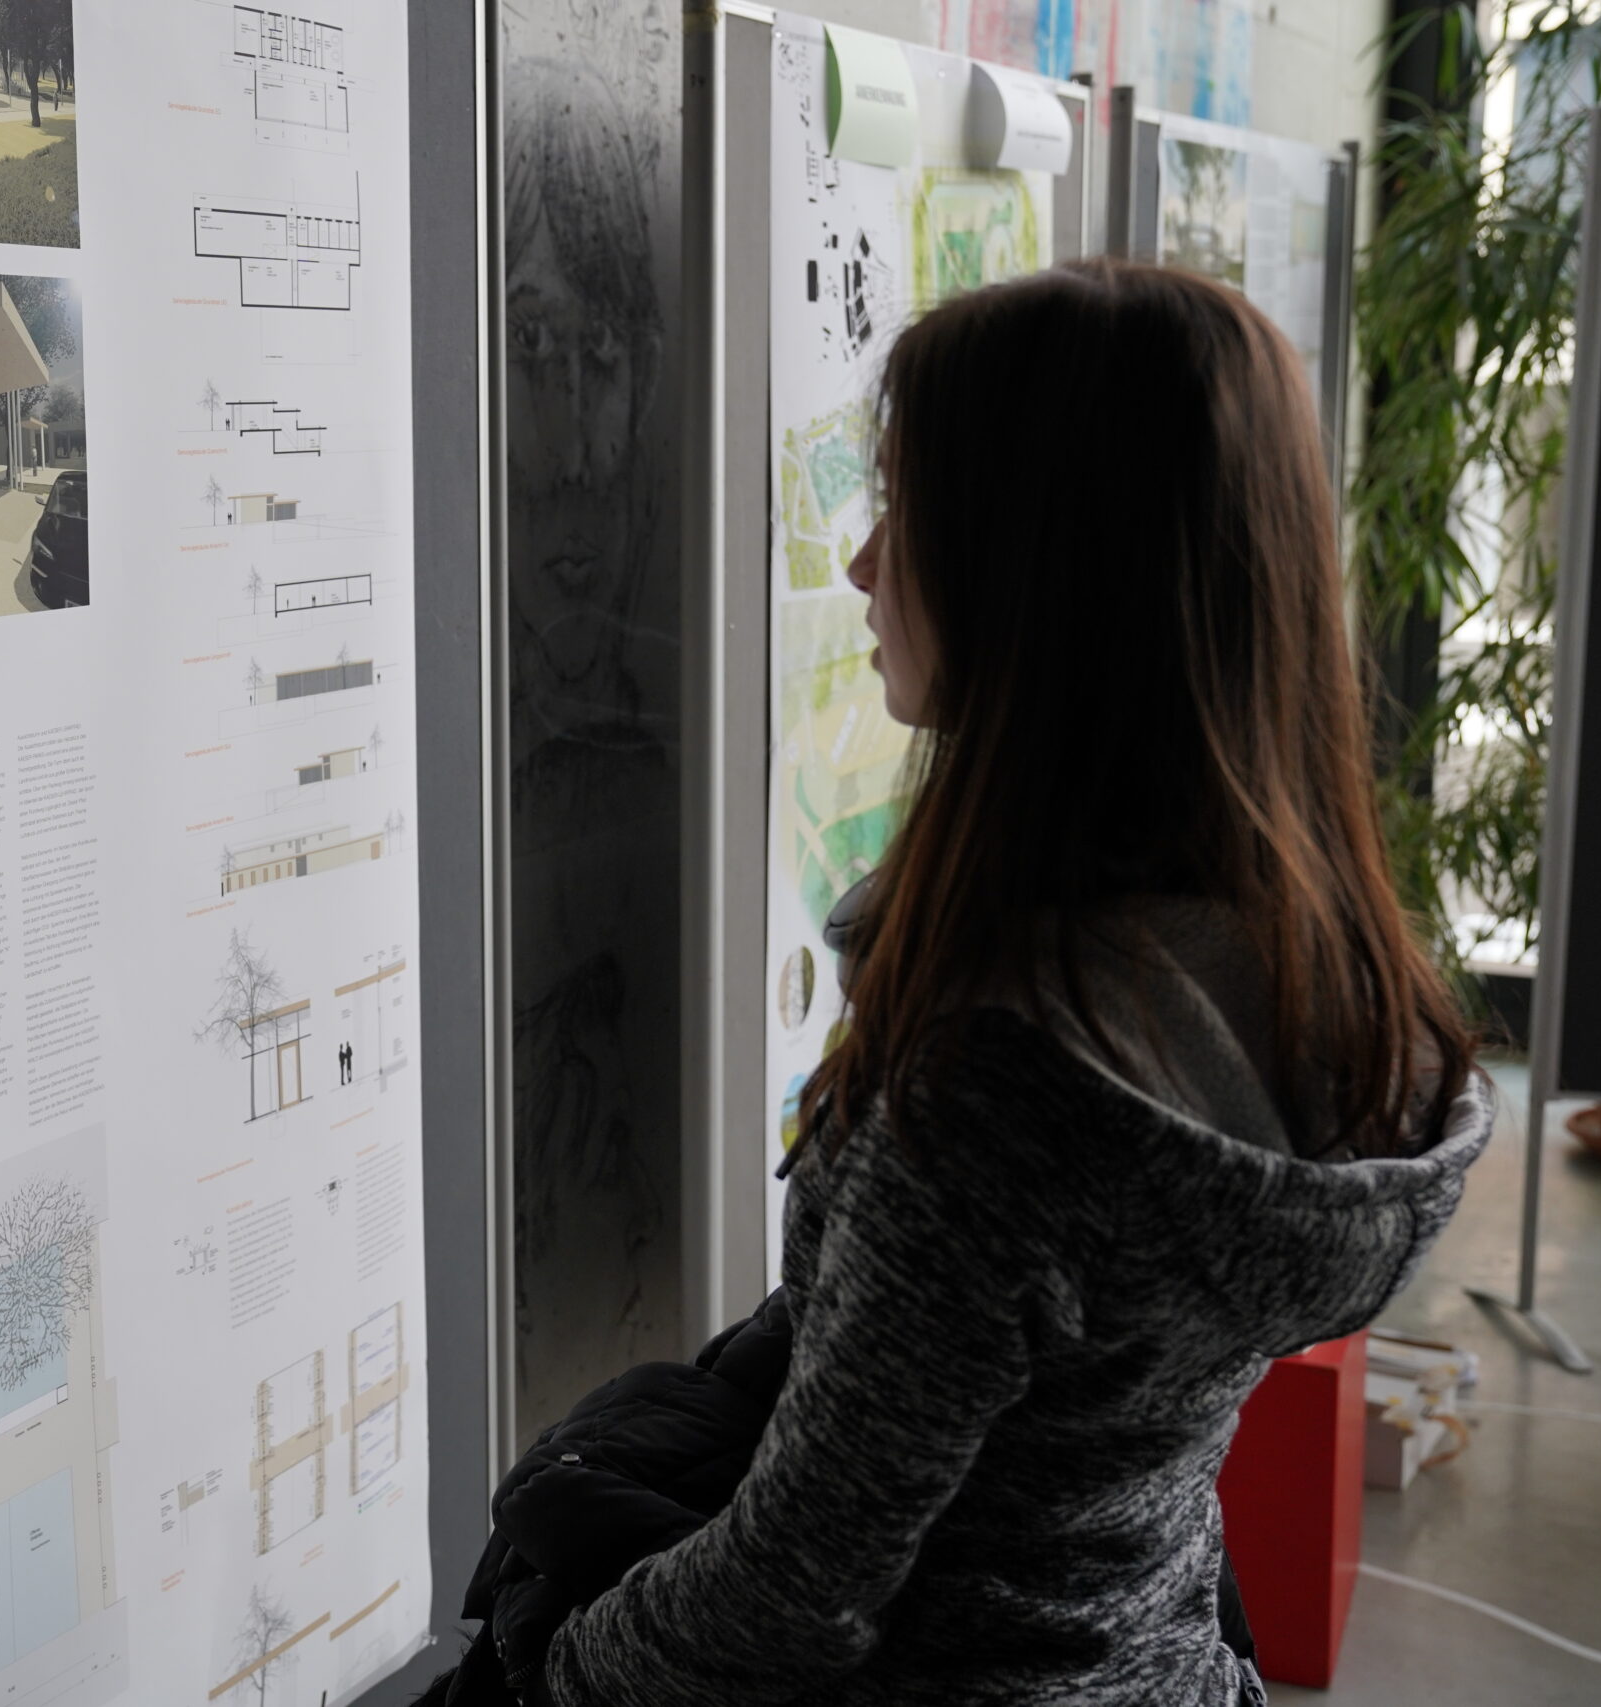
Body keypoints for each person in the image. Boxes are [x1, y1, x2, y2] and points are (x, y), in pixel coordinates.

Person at [496, 260, 1491, 1707]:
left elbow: (792, 1589)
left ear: (1038, 573)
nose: (859, 566)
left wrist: (550, 1667)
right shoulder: (1318, 980)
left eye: (902, 509)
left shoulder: (1004, 1091)